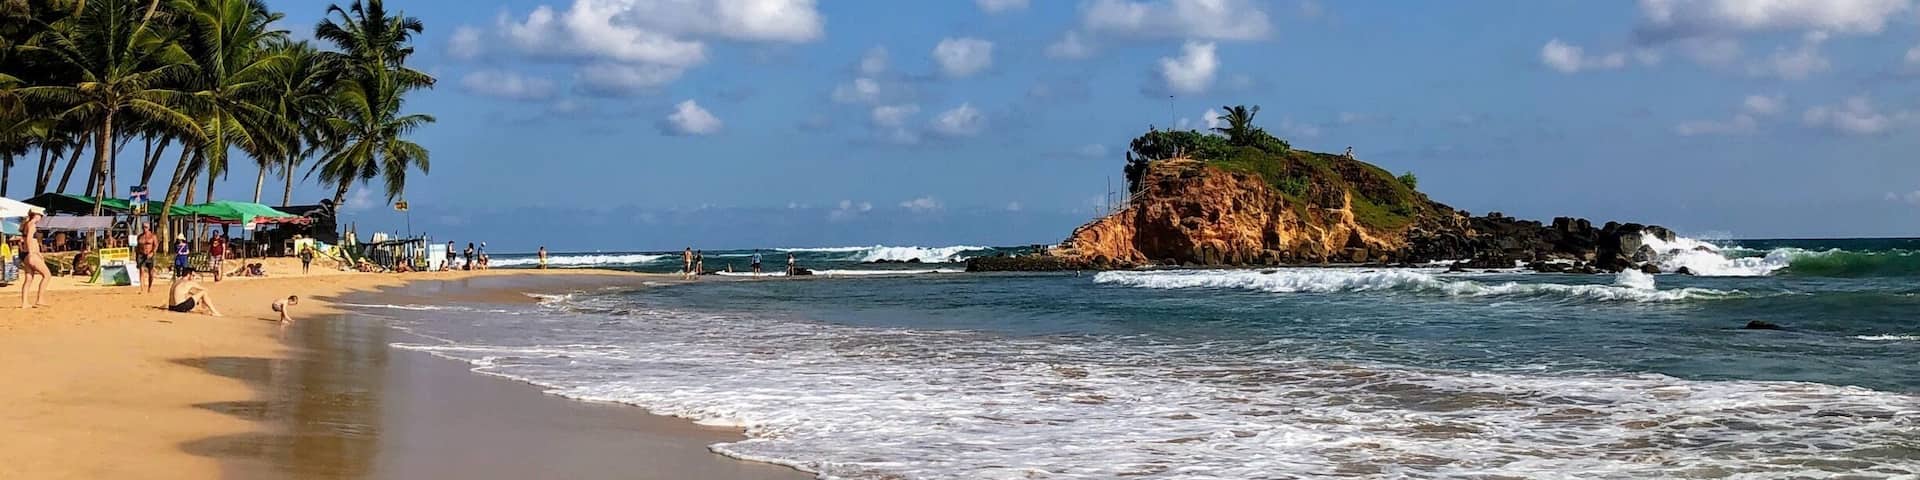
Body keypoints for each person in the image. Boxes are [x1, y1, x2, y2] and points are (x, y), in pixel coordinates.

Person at [18, 211, 49, 308]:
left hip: (26, 255)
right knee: (47, 275)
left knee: (28, 279)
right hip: (31, 254)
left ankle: (24, 303)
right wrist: (34, 253)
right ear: (36, 215)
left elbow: (26, 240)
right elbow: (29, 239)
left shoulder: (26, 225)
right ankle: (40, 299)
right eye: (40, 215)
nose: (41, 217)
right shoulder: (32, 225)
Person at [137, 225, 157, 292]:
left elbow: (156, 245)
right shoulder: (140, 236)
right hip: (141, 255)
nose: (144, 228)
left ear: (149, 228)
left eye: (146, 227)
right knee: (141, 271)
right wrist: (137, 257)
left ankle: (150, 287)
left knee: (151, 272)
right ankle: (142, 288)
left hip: (150, 255)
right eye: (143, 227)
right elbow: (137, 247)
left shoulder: (152, 236)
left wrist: (152, 253)